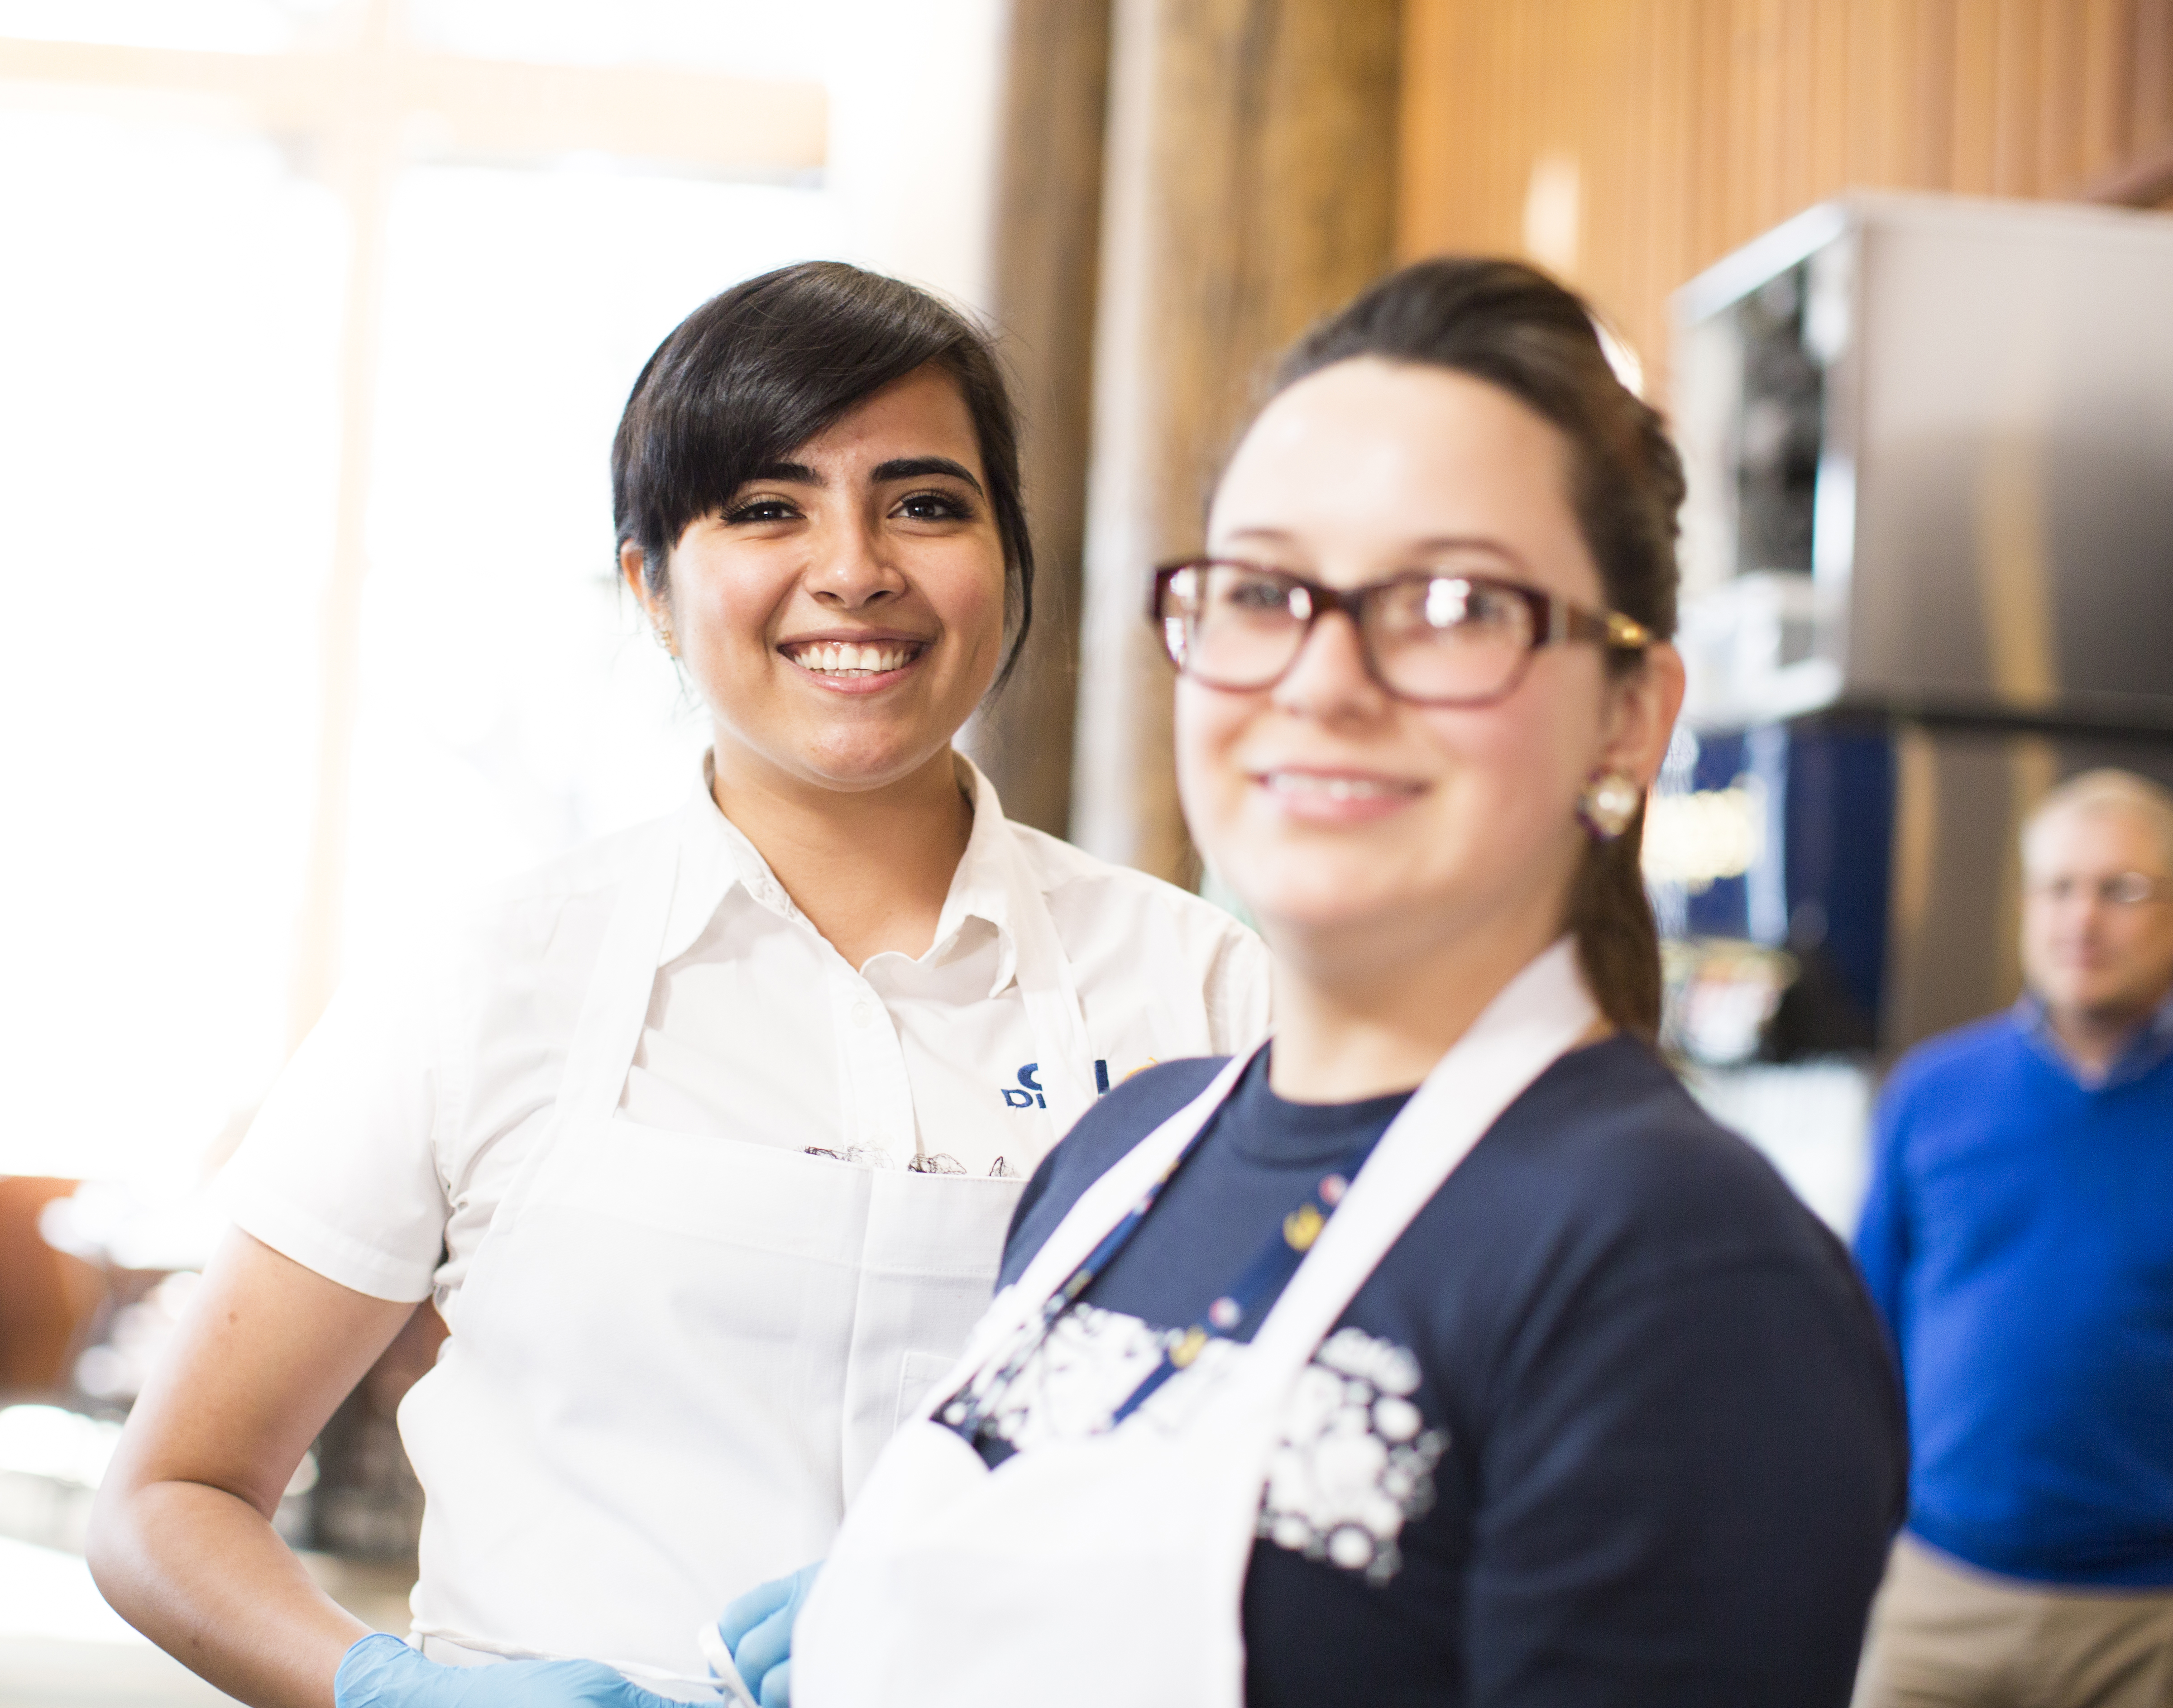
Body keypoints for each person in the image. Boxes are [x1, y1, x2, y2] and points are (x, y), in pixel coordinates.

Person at [721, 258, 1907, 1708]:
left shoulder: (1684, 1274)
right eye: (1267, 588)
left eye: (1453, 600)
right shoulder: (1117, 1156)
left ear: (1629, 715)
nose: (1324, 678)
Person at [86, 261, 1270, 1708]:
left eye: (927, 502)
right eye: (768, 508)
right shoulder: (486, 979)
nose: (855, 566)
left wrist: (1062, 1591)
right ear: (649, 584)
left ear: (1007, 558)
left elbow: (1319, 1480)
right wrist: (392, 1689)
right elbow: (167, 1496)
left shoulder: (1214, 996)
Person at [1851, 769, 2173, 1708]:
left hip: (2148, 1618)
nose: (2084, 919)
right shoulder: (1931, 1091)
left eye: (2124, 889)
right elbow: (1864, 1328)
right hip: (1939, 1594)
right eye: (2058, 887)